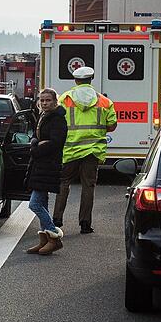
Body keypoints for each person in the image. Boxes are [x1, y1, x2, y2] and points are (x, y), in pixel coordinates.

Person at [53, 66, 118, 234]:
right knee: (88, 186)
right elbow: (112, 126)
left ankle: (57, 219)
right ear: (91, 80)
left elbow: (56, 121)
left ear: (76, 80)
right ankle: (85, 224)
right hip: (93, 150)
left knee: (64, 182)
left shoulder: (65, 98)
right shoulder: (105, 102)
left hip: (70, 149)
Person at [23, 88, 67, 255]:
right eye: (42, 100)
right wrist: (36, 142)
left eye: (48, 100)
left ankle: (54, 236)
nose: (44, 103)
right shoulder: (43, 116)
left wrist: (35, 148)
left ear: (55, 101)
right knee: (42, 204)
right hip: (40, 166)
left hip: (48, 165)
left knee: (34, 204)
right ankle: (45, 240)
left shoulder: (57, 119)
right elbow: (37, 138)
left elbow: (55, 143)